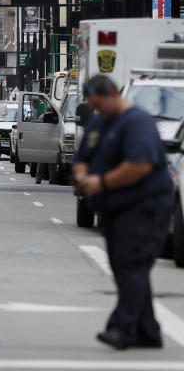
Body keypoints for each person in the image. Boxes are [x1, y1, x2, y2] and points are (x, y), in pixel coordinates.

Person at [73, 75, 174, 350]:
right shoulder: (98, 124)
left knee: (131, 265)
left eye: (98, 105)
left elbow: (138, 166)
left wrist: (101, 182)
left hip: (145, 206)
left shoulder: (137, 123)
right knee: (126, 268)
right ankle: (148, 331)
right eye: (91, 106)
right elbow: (82, 158)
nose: (96, 111)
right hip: (114, 208)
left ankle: (121, 328)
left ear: (113, 95)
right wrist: (82, 175)